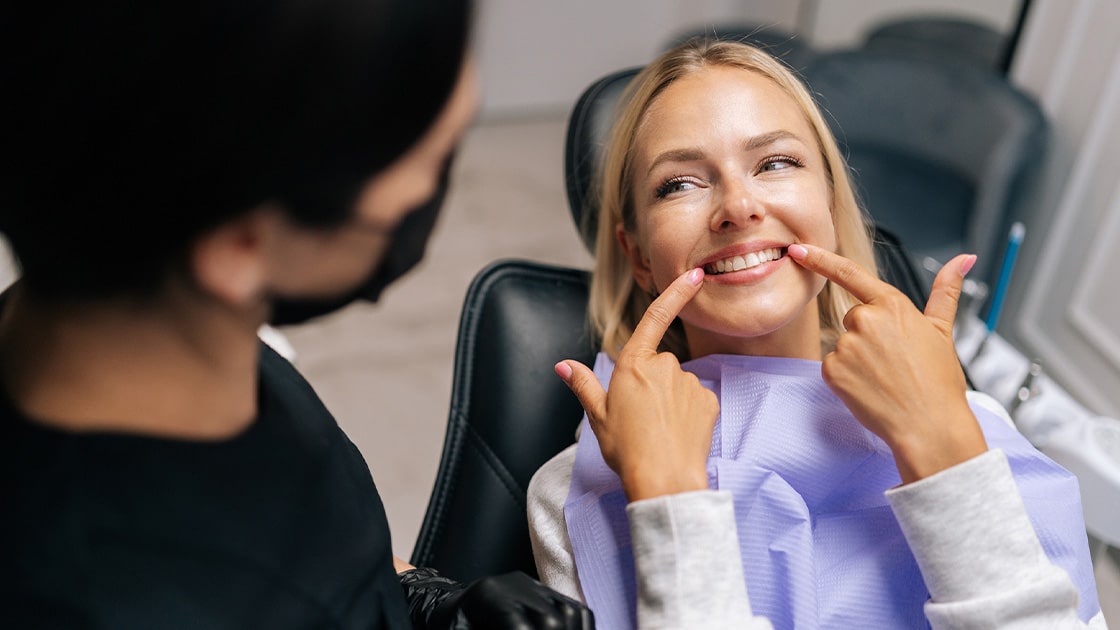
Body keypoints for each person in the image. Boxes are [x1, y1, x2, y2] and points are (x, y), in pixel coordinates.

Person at [0, 1, 594, 628]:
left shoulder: (147, 327)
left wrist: (424, 598)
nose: (428, 193)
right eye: (427, 165)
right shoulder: (109, 596)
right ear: (239, 244)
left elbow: (316, 544)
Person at [527, 39, 1106, 629]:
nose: (739, 206)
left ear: (830, 202)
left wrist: (942, 447)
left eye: (775, 163)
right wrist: (670, 499)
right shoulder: (573, 492)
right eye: (679, 184)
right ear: (640, 256)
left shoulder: (976, 426)